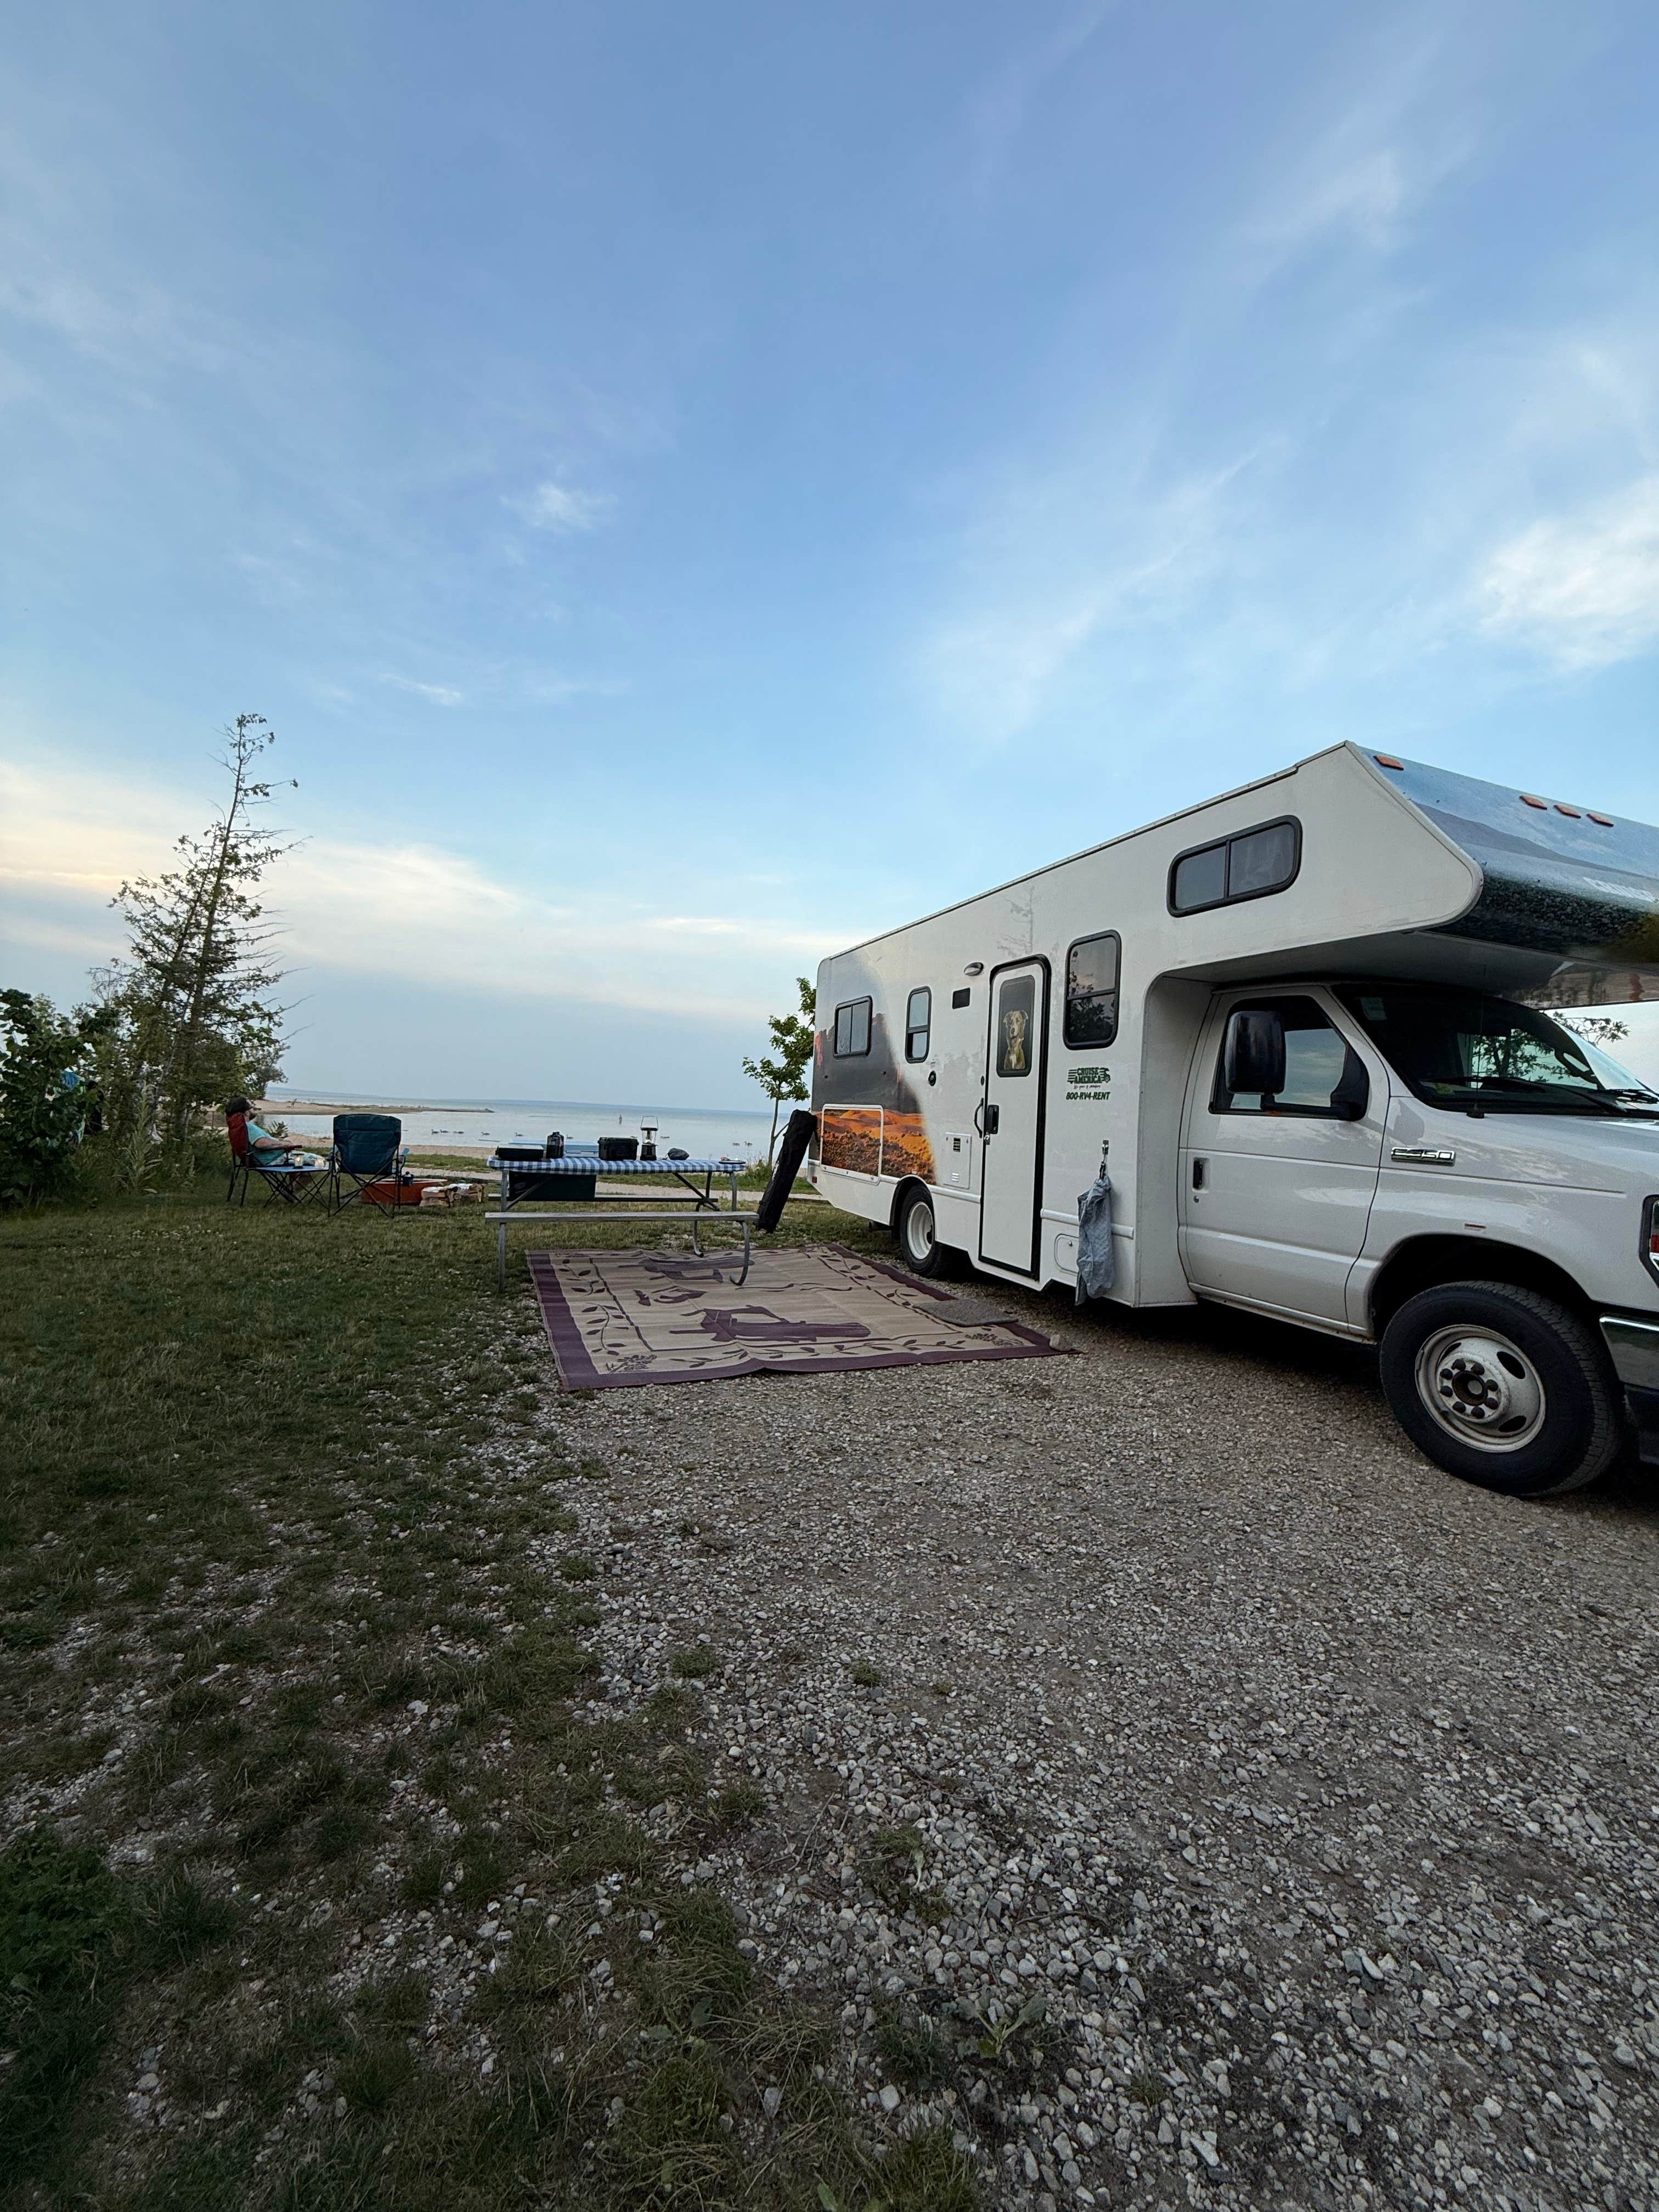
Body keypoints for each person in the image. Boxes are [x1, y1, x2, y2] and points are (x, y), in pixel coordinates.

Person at [225, 1095, 300, 1160]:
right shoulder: (248, 1127)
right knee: (311, 1160)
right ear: (247, 1112)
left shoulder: (240, 1128)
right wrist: (286, 1145)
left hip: (262, 1159)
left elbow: (260, 1140)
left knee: (301, 1167)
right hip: (273, 1159)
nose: (253, 1109)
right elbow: (262, 1143)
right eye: (252, 1107)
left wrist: (281, 1141)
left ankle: (300, 1175)